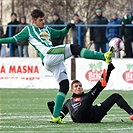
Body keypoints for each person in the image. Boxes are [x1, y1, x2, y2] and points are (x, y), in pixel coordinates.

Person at [0, 9, 114, 124]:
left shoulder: (47, 29)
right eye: (40, 20)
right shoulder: (28, 29)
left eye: (43, 19)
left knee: (64, 85)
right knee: (75, 48)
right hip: (48, 55)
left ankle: (55, 117)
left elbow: (60, 33)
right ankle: (104, 56)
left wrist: (67, 28)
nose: (43, 22)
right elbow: (13, 39)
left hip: (53, 61)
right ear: (34, 21)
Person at [47, 63, 133, 123]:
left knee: (115, 96)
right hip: (80, 117)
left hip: (94, 115)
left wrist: (109, 70)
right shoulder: (68, 102)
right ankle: (100, 82)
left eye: (80, 86)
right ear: (72, 90)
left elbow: (93, 94)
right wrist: (53, 110)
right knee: (90, 96)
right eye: (76, 86)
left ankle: (131, 113)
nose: (79, 87)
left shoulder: (86, 96)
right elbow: (60, 117)